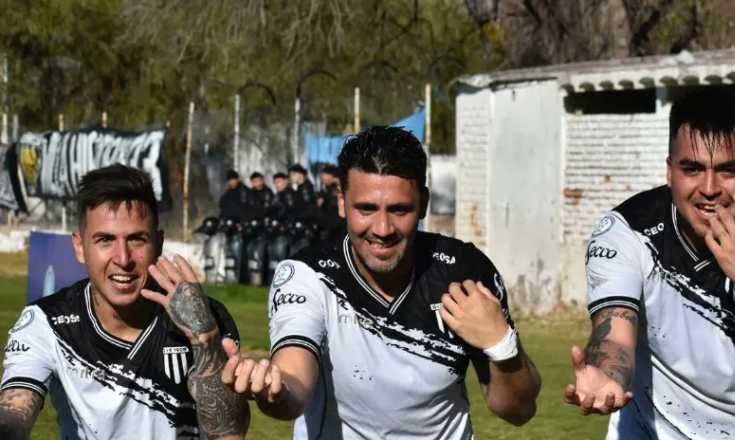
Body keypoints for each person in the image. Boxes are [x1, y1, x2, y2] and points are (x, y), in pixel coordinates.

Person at [222, 126, 541, 439]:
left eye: (400, 209)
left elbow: (518, 411)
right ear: (342, 201)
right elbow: (294, 382)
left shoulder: (464, 274)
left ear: (424, 203)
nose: (383, 228)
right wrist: (273, 389)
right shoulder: (308, 274)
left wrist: (503, 347)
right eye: (366, 209)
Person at [565, 89, 735, 439]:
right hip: (649, 430)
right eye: (692, 168)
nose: (709, 188)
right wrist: (607, 374)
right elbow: (615, 329)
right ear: (670, 171)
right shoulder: (628, 231)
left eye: (728, 170)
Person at [0, 164, 248, 439]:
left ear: (159, 242)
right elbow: (16, 410)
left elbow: (229, 434)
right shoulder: (46, 322)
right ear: (80, 247)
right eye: (105, 240)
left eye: (137, 240)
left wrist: (206, 339)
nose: (123, 259)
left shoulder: (207, 317)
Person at [316, 164, 345, 241]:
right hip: (330, 229)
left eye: (324, 175)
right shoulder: (328, 188)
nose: (322, 178)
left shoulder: (344, 186)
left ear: (331, 175)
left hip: (340, 229)